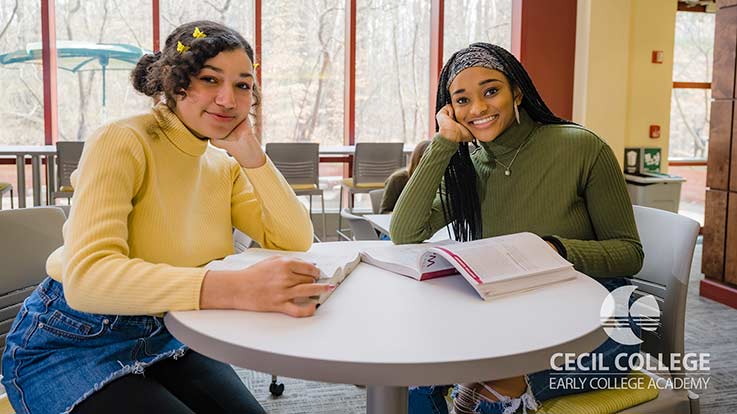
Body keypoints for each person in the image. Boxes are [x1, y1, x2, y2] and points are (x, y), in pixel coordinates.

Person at [1, 21, 333, 414]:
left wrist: (251, 154)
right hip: (74, 340)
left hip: (170, 331)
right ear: (176, 83)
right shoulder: (123, 140)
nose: (228, 99)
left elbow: (294, 237)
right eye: (210, 79)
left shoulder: (222, 165)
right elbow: (87, 280)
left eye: (243, 85)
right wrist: (238, 288)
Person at [390, 43, 644, 414]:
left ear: (518, 93)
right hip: (507, 309)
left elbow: (630, 253)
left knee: (631, 320)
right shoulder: (469, 166)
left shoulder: (582, 147)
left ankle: (513, 386)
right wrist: (444, 142)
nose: (477, 109)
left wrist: (556, 250)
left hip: (590, 304)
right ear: (450, 110)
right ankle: (490, 382)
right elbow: (404, 231)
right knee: (414, 375)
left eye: (491, 91)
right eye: (462, 100)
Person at [379, 139, 431, 213]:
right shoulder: (398, 179)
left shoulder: (440, 180)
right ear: (418, 159)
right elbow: (384, 212)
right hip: (401, 222)